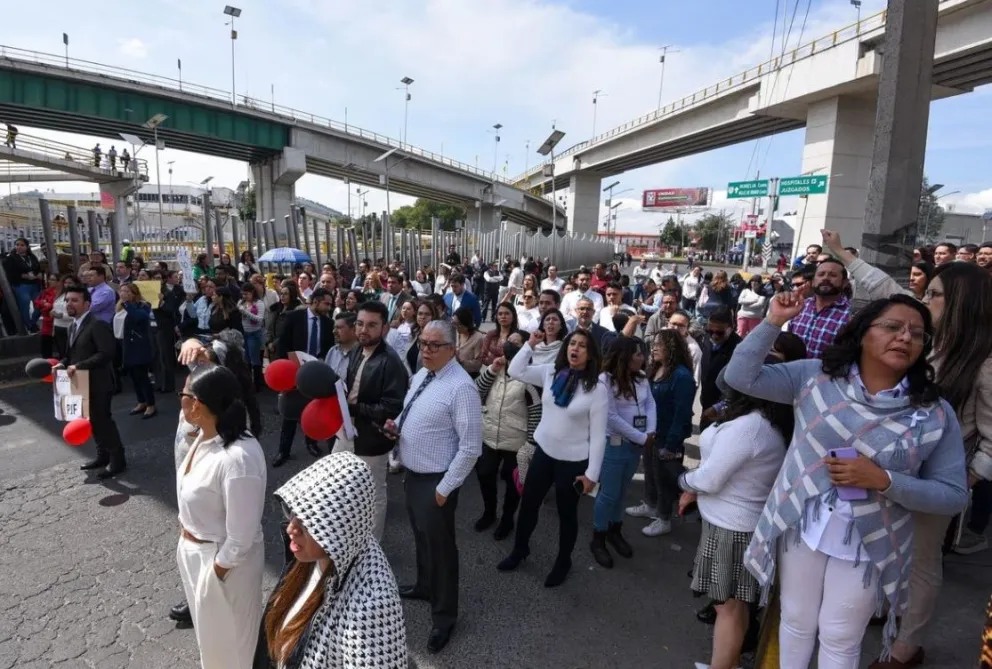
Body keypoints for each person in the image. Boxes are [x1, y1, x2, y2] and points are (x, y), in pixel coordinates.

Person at [725, 292, 969, 669]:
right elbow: (740, 376)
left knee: (840, 636)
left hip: (870, 543)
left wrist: (885, 480)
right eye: (892, 327)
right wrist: (773, 321)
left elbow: (953, 496)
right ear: (862, 333)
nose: (905, 338)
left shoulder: (933, 413)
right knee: (795, 621)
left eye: (917, 334)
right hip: (802, 526)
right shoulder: (814, 377)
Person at [678, 367, 793, 669]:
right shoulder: (758, 420)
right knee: (735, 607)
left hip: (733, 529)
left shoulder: (749, 426)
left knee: (727, 608)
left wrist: (685, 483)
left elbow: (711, 478)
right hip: (737, 525)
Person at [383, 320, 482, 653]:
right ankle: (425, 586)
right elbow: (411, 411)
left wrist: (444, 489)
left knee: (441, 551)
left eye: (433, 345)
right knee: (421, 537)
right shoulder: (424, 374)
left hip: (436, 481)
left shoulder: (461, 387)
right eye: (422, 342)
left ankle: (444, 618)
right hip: (413, 474)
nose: (424, 349)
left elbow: (471, 447)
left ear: (451, 349)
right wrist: (395, 425)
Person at [255, 453, 407, 668]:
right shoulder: (322, 552)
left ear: (339, 527)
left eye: (308, 522)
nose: (291, 527)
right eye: (292, 511)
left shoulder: (372, 606)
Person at [499, 328, 607, 588]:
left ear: (590, 354)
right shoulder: (549, 372)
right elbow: (515, 371)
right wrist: (529, 346)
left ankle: (563, 562)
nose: (576, 348)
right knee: (528, 505)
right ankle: (519, 550)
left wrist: (592, 474)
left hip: (573, 461)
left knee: (567, 514)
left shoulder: (597, 388)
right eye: (572, 343)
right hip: (544, 453)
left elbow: (600, 436)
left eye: (582, 345)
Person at [176, 365, 266, 669]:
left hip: (221, 562)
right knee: (211, 644)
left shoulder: (238, 457)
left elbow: (242, 536)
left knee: (232, 650)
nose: (181, 401)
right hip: (195, 553)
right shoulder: (202, 436)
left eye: (184, 394)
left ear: (198, 403)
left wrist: (216, 571)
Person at [339, 301, 409, 541]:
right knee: (344, 483)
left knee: (373, 493)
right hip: (348, 429)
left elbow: (391, 406)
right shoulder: (359, 349)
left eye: (371, 325)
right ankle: (349, 531)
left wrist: (354, 407)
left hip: (372, 437)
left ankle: (371, 546)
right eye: (359, 324)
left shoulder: (391, 362)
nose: (363, 330)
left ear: (385, 328)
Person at [590, 336, 656, 568]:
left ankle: (614, 530)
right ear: (625, 355)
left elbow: (650, 405)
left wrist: (650, 430)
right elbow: (610, 416)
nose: (642, 357)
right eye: (638, 353)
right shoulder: (605, 380)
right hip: (615, 443)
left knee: (622, 491)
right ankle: (598, 538)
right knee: (608, 493)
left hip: (636, 444)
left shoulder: (641, 378)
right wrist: (640, 437)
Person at [626, 329, 697, 538]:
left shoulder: (682, 376)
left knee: (665, 478)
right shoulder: (654, 369)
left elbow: (682, 413)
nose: (654, 348)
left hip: (668, 437)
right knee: (650, 470)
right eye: (654, 344)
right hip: (651, 433)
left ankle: (664, 518)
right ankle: (650, 504)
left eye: (660, 344)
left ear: (672, 348)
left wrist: (672, 444)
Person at [474, 332, 540, 540]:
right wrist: (492, 369)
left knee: (513, 484)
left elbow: (536, 411)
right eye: (508, 342)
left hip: (516, 440)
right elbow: (477, 391)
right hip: (489, 434)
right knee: (484, 474)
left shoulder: (530, 375)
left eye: (516, 343)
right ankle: (489, 512)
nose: (509, 345)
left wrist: (530, 442)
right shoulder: (495, 368)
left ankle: (507, 519)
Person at [56, 286, 126, 478]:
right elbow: (70, 355)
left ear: (87, 304)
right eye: (67, 300)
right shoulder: (72, 326)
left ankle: (117, 459)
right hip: (81, 383)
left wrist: (78, 366)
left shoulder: (97, 324)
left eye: (75, 300)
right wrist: (61, 365)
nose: (70, 304)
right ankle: (102, 455)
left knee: (103, 421)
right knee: (92, 421)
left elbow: (106, 353)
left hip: (100, 382)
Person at [274, 288, 335, 467]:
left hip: (314, 374)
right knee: (290, 412)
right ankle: (283, 451)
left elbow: (327, 349)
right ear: (315, 301)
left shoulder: (328, 323)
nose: (329, 307)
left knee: (312, 411)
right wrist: (284, 372)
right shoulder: (294, 317)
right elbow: (282, 344)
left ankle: (311, 443)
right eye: (326, 303)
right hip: (293, 373)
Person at [118, 283, 157, 419]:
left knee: (142, 377)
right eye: (121, 290)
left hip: (140, 346)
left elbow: (139, 317)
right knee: (133, 377)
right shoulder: (121, 306)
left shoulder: (142, 305)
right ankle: (141, 401)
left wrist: (127, 304)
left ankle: (151, 404)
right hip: (128, 345)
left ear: (133, 293)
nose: (122, 293)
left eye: (126, 291)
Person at [699, 307, 741, 422]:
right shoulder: (707, 339)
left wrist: (717, 408)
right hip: (706, 401)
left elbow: (737, 388)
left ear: (731, 328)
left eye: (719, 333)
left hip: (725, 410)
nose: (714, 336)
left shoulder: (739, 350)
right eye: (710, 331)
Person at [3, 237, 42, 331]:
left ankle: (32, 322)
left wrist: (39, 274)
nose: (19, 247)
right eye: (17, 245)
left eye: (22, 245)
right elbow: (9, 273)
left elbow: (38, 268)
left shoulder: (32, 257)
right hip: (21, 285)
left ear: (27, 246)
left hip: (35, 284)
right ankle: (29, 325)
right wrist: (23, 276)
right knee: (25, 304)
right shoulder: (11, 258)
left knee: (39, 304)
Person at [238, 283, 266, 390]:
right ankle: (248, 382)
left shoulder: (259, 303)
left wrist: (245, 312)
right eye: (242, 294)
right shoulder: (242, 303)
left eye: (246, 294)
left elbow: (259, 319)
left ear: (252, 293)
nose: (244, 297)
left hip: (255, 334)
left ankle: (258, 383)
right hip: (244, 333)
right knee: (246, 359)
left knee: (255, 359)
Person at [479, 302, 519, 367]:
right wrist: (500, 360)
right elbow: (482, 356)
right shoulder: (491, 334)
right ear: (497, 317)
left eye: (507, 313)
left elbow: (517, 360)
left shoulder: (518, 336)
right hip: (491, 372)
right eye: (500, 314)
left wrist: (491, 355)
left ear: (513, 316)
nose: (503, 316)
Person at [452, 305, 485, 377]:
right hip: (453, 373)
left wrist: (461, 362)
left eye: (459, 324)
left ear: (466, 324)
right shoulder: (455, 333)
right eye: (454, 323)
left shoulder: (478, 338)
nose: (456, 327)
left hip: (469, 375)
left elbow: (478, 365)